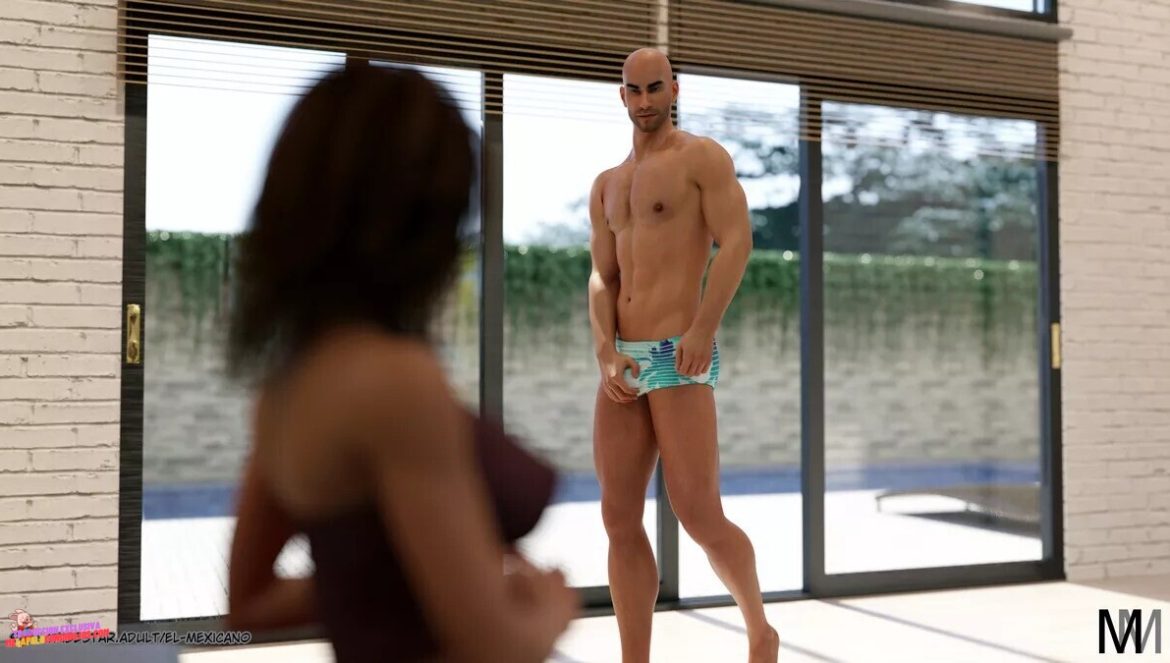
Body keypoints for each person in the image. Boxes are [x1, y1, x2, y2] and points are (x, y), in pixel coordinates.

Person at [223, 64, 578, 663]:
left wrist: (406, 582)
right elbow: (492, 648)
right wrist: (550, 606)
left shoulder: (283, 387)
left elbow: (251, 603)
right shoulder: (395, 382)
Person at [587, 48, 781, 663]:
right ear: (622, 95)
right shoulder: (607, 184)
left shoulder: (701, 158)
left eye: (655, 88)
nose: (644, 101)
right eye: (634, 90)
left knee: (698, 513)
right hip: (624, 360)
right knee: (618, 518)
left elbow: (737, 241)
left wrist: (703, 328)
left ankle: (760, 629)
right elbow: (602, 277)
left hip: (680, 353)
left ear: (674, 89)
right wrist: (604, 350)